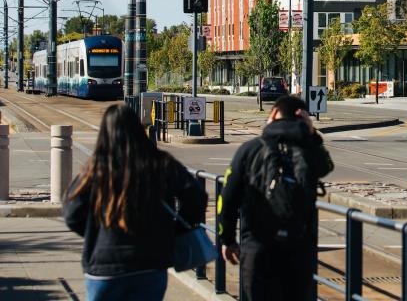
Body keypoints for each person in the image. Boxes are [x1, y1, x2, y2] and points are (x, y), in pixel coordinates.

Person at [63, 104, 207, 301]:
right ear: (138, 129)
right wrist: (175, 229)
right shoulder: (160, 162)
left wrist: (95, 231)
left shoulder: (95, 169)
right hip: (149, 264)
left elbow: (72, 212)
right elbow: (195, 194)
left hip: (104, 266)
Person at [219, 95, 334, 300]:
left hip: (257, 249)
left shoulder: (251, 149)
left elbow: (227, 197)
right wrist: (312, 134)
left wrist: (227, 239)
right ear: (303, 118)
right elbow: (326, 166)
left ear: (273, 113)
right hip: (299, 251)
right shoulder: (309, 151)